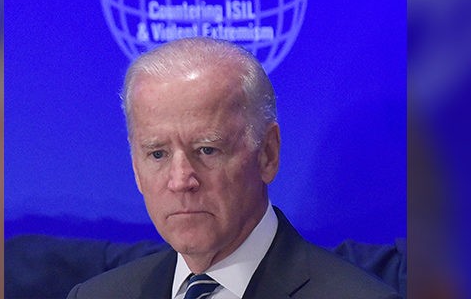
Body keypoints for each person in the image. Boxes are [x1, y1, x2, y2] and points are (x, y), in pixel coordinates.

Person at [68, 37, 400, 299]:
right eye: (157, 154)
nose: (181, 180)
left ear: (267, 154)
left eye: (206, 150)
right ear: (135, 169)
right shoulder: (96, 295)